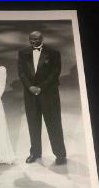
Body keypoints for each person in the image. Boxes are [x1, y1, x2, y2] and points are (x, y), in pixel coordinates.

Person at [18, 31, 67, 165]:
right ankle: (35, 153)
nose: (33, 41)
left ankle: (60, 155)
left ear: (42, 39)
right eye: (31, 39)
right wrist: (30, 87)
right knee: (33, 125)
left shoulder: (53, 53)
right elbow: (21, 72)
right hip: (30, 95)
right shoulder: (23, 53)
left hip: (49, 94)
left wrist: (40, 87)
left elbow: (55, 73)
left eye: (36, 39)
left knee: (54, 124)